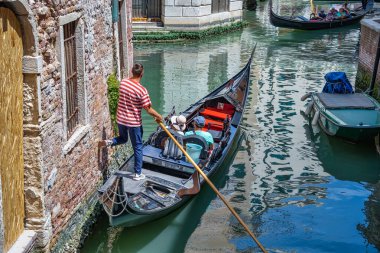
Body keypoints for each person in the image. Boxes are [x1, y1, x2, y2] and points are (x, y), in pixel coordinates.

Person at [98, 63, 162, 181]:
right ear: (142, 74)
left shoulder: (123, 82)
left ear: (132, 71)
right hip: (133, 123)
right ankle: (137, 174)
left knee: (123, 138)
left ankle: (109, 142)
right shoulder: (142, 90)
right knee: (137, 147)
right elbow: (148, 109)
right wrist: (160, 117)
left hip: (121, 119)